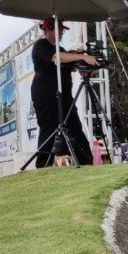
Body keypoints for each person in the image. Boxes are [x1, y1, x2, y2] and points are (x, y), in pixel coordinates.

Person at [30, 17, 99, 168]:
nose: (62, 32)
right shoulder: (41, 45)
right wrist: (82, 56)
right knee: (49, 127)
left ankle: (87, 162)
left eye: (62, 30)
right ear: (48, 29)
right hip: (46, 94)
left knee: (75, 126)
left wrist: (78, 56)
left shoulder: (60, 49)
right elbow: (58, 58)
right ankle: (43, 165)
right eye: (59, 29)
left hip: (64, 95)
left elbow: (68, 62)